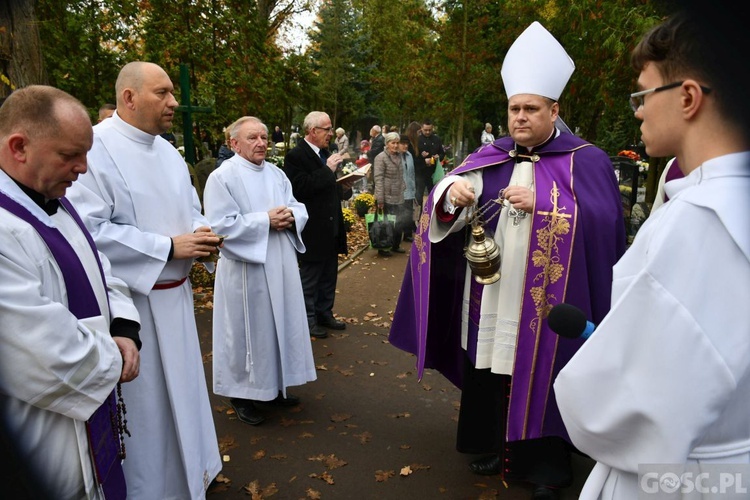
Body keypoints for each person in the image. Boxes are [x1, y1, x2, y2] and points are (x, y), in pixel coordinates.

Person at [389, 21, 625, 500]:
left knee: (545, 368)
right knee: (491, 365)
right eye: (514, 108)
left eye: (531, 109)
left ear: (554, 110)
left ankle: (546, 468)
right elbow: (444, 211)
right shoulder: (489, 156)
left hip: (548, 298)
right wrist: (449, 195)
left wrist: (548, 205)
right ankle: (494, 444)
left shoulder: (588, 160)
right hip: (492, 292)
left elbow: (605, 225)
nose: (520, 117)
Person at [554, 6, 750, 499]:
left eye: (643, 94)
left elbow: (629, 411)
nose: (637, 109)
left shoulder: (700, 223)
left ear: (688, 97)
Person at [66, 61, 223, 499]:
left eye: (173, 93)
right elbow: (88, 233)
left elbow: (188, 208)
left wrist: (202, 232)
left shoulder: (168, 151)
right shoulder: (95, 149)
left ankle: (194, 473)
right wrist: (168, 248)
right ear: (129, 97)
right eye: (163, 93)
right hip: (135, 307)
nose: (174, 102)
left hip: (176, 300)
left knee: (186, 397)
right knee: (150, 413)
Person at [0, 85, 141, 499]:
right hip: (43, 437)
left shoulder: (57, 201)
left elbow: (101, 269)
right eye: (69, 155)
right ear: (19, 146)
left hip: (89, 420)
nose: (82, 168)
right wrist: (114, 357)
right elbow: (40, 349)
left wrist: (125, 326)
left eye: (85, 154)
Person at [203, 116, 316, 426]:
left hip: (279, 263)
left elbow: (297, 206)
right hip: (246, 270)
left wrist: (292, 215)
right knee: (246, 331)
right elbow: (220, 226)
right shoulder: (222, 178)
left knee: (278, 324)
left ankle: (274, 386)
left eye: (264, 137)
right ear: (234, 143)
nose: (262, 143)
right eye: (253, 137)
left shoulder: (277, 174)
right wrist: (265, 221)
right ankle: (241, 394)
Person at [283, 111, 354, 339]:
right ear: (313, 131)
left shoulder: (326, 153)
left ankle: (325, 313)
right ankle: (308, 320)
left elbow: (330, 186)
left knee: (329, 275)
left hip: (331, 225)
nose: (331, 134)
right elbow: (299, 189)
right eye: (327, 129)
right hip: (313, 228)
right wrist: (327, 171)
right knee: (311, 277)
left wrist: (346, 186)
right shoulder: (296, 156)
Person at [373, 131, 407, 256]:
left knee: (398, 222)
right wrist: (380, 199)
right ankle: (383, 247)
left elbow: (400, 175)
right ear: (387, 144)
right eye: (393, 143)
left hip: (398, 194)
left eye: (397, 143)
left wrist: (403, 186)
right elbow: (378, 179)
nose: (396, 145)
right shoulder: (380, 158)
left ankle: (395, 245)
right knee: (385, 223)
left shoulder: (399, 156)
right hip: (386, 195)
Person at [414, 119, 445, 206]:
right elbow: (414, 157)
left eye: (429, 130)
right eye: (425, 130)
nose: (427, 132)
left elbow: (442, 153)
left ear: (432, 129)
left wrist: (439, 157)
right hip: (421, 172)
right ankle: (418, 217)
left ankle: (432, 214)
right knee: (419, 196)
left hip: (433, 172)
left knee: (434, 194)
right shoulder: (417, 140)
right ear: (421, 129)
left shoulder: (437, 139)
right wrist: (421, 157)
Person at [399, 133, 417, 242]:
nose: (405, 146)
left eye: (407, 144)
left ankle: (407, 234)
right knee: (400, 213)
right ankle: (397, 235)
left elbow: (412, 173)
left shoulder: (409, 155)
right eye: (403, 144)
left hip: (410, 189)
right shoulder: (395, 156)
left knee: (409, 213)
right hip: (399, 190)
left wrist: (414, 188)